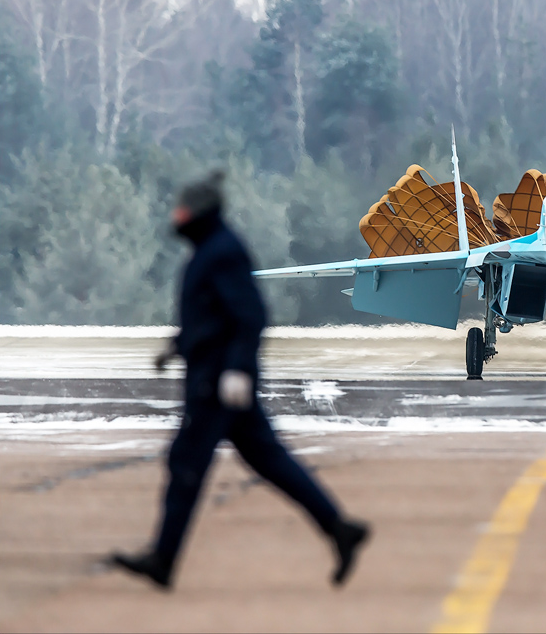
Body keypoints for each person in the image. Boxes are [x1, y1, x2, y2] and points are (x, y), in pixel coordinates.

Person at [112, 170, 369, 590]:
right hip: (214, 379)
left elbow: (249, 317)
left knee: (186, 464)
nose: (177, 217)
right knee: (270, 462)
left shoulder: (222, 253)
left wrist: (236, 370)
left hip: (216, 386)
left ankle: (163, 559)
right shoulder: (210, 251)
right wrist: (177, 346)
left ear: (201, 213)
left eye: (183, 210)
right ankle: (339, 529)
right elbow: (211, 317)